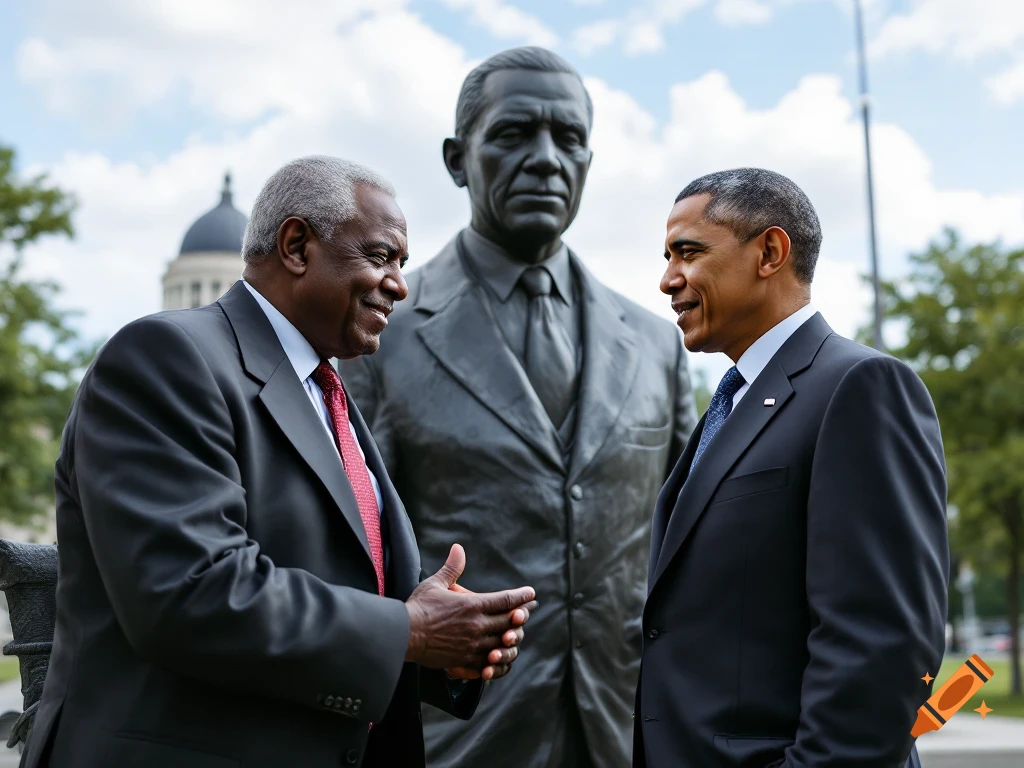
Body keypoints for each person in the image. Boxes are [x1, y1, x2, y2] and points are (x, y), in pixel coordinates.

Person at [22, 156, 537, 768]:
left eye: (401, 263)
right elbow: (191, 593)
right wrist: (409, 630)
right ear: (296, 246)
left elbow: (329, 591)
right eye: (380, 256)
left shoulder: (327, 392)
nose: (400, 283)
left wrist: (434, 647)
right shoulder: (165, 359)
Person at [338, 47, 698, 768]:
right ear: (457, 158)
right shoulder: (375, 336)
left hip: (634, 733)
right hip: (454, 740)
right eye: (513, 134)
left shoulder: (659, 344)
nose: (544, 159)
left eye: (568, 139)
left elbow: (695, 549)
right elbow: (341, 559)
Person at [635, 168, 948, 768]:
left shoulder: (861, 387)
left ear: (770, 253)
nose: (667, 279)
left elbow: (881, 647)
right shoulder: (734, 402)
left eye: (689, 252)